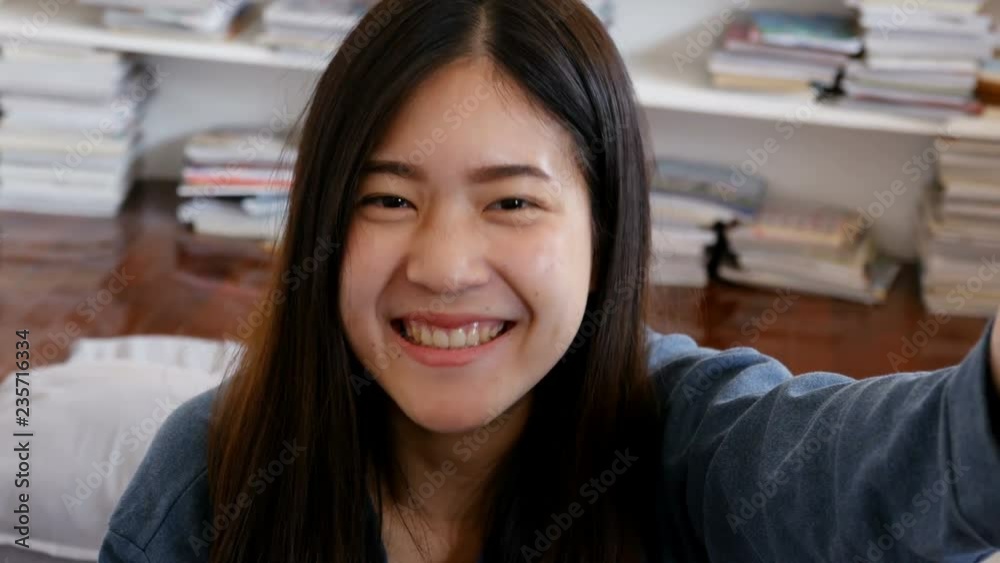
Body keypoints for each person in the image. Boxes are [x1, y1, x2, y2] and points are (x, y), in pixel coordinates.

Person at [97, 1, 1000, 562]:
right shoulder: (212, 471)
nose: (443, 266)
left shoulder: (692, 444)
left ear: (605, 231)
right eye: (388, 198)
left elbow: (894, 472)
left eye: (513, 203)